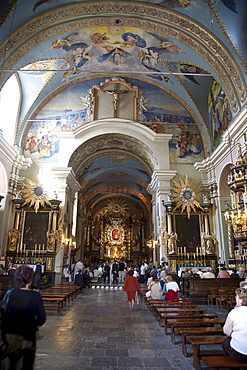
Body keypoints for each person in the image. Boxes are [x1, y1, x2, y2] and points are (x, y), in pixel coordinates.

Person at [1, 264, 46, 369]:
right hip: (27, 337)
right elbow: (42, 319)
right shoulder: (35, 296)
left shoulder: (9, 293)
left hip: (9, 337)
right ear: (30, 279)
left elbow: (2, 313)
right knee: (26, 364)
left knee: (9, 364)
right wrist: (34, 325)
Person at [223, 288, 247, 363]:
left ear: (241, 300)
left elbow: (226, 332)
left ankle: (230, 364)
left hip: (241, 353)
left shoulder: (234, 312)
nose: (235, 299)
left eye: (236, 297)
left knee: (225, 342)